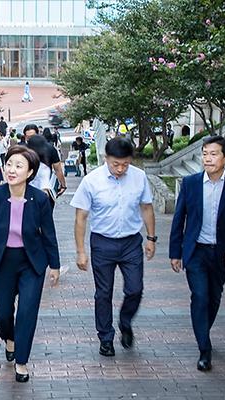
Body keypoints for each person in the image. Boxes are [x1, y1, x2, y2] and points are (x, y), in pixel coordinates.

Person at [0, 145, 60, 383]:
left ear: (30, 172)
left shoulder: (40, 198)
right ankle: (9, 339)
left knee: (26, 312)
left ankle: (21, 361)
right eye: (9, 164)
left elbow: (49, 234)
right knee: (4, 314)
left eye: (18, 166)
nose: (11, 170)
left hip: (31, 262)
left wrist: (55, 265)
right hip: (3, 261)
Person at [168, 135, 225, 372]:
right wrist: (176, 252)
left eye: (213, 154)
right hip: (195, 252)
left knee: (213, 298)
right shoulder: (190, 183)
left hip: (222, 254)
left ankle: (203, 330)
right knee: (201, 296)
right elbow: (178, 219)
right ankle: (205, 349)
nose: (208, 158)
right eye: (205, 153)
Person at [70, 137, 156, 357]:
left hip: (130, 242)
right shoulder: (92, 181)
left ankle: (125, 322)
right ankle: (105, 337)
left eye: (125, 164)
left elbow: (146, 207)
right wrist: (81, 252)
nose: (120, 169)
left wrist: (151, 238)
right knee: (103, 292)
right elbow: (81, 217)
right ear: (106, 158)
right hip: (102, 243)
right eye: (115, 164)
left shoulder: (139, 177)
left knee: (135, 288)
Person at [22, 124, 66, 198]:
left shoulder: (50, 149)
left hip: (46, 189)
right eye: (28, 137)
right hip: (26, 190)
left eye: (33, 136)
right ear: (25, 137)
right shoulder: (22, 151)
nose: (31, 139)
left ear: (38, 134)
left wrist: (63, 185)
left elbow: (58, 169)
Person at [27, 135, 56, 209]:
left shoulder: (25, 164)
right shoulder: (44, 167)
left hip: (28, 199)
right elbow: (45, 188)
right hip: (40, 200)